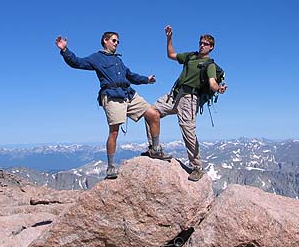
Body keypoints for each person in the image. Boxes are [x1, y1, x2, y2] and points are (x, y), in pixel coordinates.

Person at [55, 32, 171, 179]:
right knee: (114, 132)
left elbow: (130, 75)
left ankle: (155, 150)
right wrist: (64, 50)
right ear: (105, 41)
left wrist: (146, 80)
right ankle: (110, 167)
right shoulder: (97, 58)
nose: (117, 43)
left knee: (153, 115)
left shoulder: (118, 60)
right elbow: (77, 62)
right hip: (112, 96)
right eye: (114, 40)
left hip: (128, 94)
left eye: (118, 41)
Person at [145, 25, 227, 182]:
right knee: (150, 112)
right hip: (175, 94)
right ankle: (154, 148)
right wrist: (169, 38)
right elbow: (171, 55)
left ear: (211, 47)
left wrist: (219, 89)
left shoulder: (209, 65)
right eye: (201, 42)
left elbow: (212, 83)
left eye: (206, 44)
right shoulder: (190, 56)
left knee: (188, 132)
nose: (202, 45)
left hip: (190, 98)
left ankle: (197, 167)